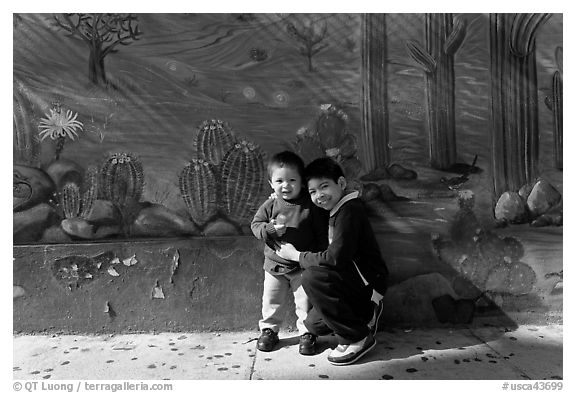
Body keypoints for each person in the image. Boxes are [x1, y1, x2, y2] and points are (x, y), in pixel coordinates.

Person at [276, 157, 388, 366]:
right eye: (312, 192)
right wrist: (277, 199)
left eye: (324, 186)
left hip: (367, 283)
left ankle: (357, 337)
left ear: (342, 184)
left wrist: (296, 256)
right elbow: (299, 204)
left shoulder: (350, 211)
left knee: (312, 276)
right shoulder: (334, 210)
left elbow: (335, 258)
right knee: (314, 325)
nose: (319, 196)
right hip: (351, 281)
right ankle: (365, 316)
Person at [251, 151, 329, 356]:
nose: (285, 185)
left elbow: (321, 233)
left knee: (304, 301)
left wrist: (319, 256)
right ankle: (269, 330)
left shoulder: (310, 206)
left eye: (292, 180)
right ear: (271, 183)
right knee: (271, 300)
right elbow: (255, 225)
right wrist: (268, 229)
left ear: (302, 182)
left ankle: (306, 333)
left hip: (301, 267)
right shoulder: (271, 204)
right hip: (274, 265)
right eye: (279, 180)